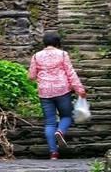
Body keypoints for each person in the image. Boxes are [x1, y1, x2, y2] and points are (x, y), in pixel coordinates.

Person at [28, 31, 87, 160]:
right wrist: (79, 89)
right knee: (66, 116)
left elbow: (31, 76)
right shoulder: (63, 54)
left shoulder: (36, 56)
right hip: (62, 90)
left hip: (45, 92)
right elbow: (70, 73)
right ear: (57, 42)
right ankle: (60, 131)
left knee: (49, 123)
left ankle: (53, 153)